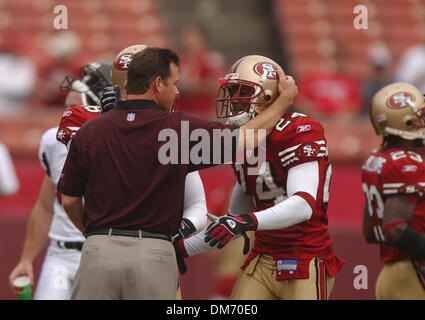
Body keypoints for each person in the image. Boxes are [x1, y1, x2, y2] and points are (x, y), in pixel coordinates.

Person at [57, 47, 298, 300]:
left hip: (97, 250)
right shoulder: (176, 131)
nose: (178, 91)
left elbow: (70, 200)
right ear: (158, 84)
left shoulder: (90, 130)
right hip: (151, 252)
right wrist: (283, 101)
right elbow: (246, 139)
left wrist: (93, 235)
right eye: (175, 83)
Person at [177, 55, 344, 300]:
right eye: (231, 91)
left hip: (304, 258)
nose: (233, 100)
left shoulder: (298, 129)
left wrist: (245, 222)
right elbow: (231, 224)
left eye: (241, 91)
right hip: (262, 260)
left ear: (266, 96)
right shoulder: (244, 144)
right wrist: (179, 249)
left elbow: (303, 204)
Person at [8, 61, 112, 299]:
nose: (67, 115)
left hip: (104, 255)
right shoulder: (53, 141)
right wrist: (26, 259)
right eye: (66, 107)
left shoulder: (121, 146)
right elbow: (46, 205)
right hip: (61, 255)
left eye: (75, 108)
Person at [362, 82, 425, 300]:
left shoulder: (377, 158)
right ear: (405, 122)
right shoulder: (408, 164)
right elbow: (394, 228)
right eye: (419, 116)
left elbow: (370, 232)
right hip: (411, 274)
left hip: (390, 275)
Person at [176, 24, 227, 119]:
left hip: (203, 114)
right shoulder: (177, 59)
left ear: (202, 37)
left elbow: (221, 86)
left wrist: (197, 85)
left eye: (193, 35)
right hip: (181, 113)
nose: (188, 39)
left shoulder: (212, 59)